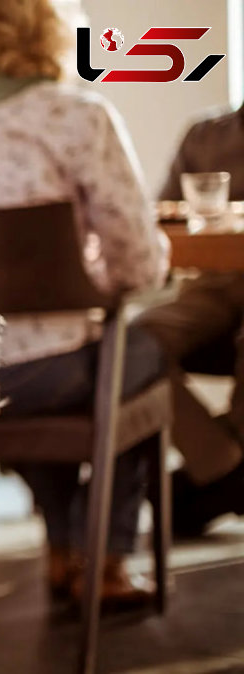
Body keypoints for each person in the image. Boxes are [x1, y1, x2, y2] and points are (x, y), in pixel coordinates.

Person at [0, 0, 170, 606]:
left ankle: (65, 547)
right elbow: (138, 265)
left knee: (49, 376)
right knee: (143, 353)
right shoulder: (77, 117)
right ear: (51, 32)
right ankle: (107, 556)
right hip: (56, 372)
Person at [140, 103, 244, 536]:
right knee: (131, 345)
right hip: (211, 286)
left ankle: (218, 482)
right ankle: (223, 467)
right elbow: (163, 217)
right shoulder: (204, 135)